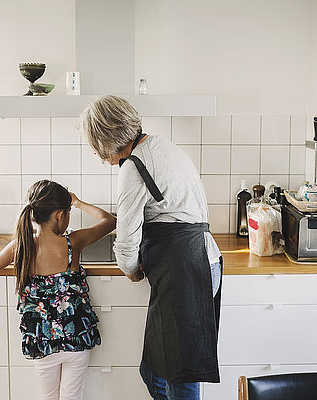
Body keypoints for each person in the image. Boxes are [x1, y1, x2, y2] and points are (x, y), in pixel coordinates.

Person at [79, 95, 223, 400]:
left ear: (106, 138)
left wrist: (130, 270)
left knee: (179, 374)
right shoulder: (161, 146)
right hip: (199, 260)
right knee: (154, 370)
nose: (97, 154)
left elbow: (126, 240)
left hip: (185, 271)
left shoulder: (133, 166)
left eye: (95, 147)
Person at [0, 180, 116, 400]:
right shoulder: (73, 243)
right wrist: (78, 202)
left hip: (42, 341)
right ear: (60, 215)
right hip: (76, 338)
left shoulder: (22, 245)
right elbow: (110, 221)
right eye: (69, 212)